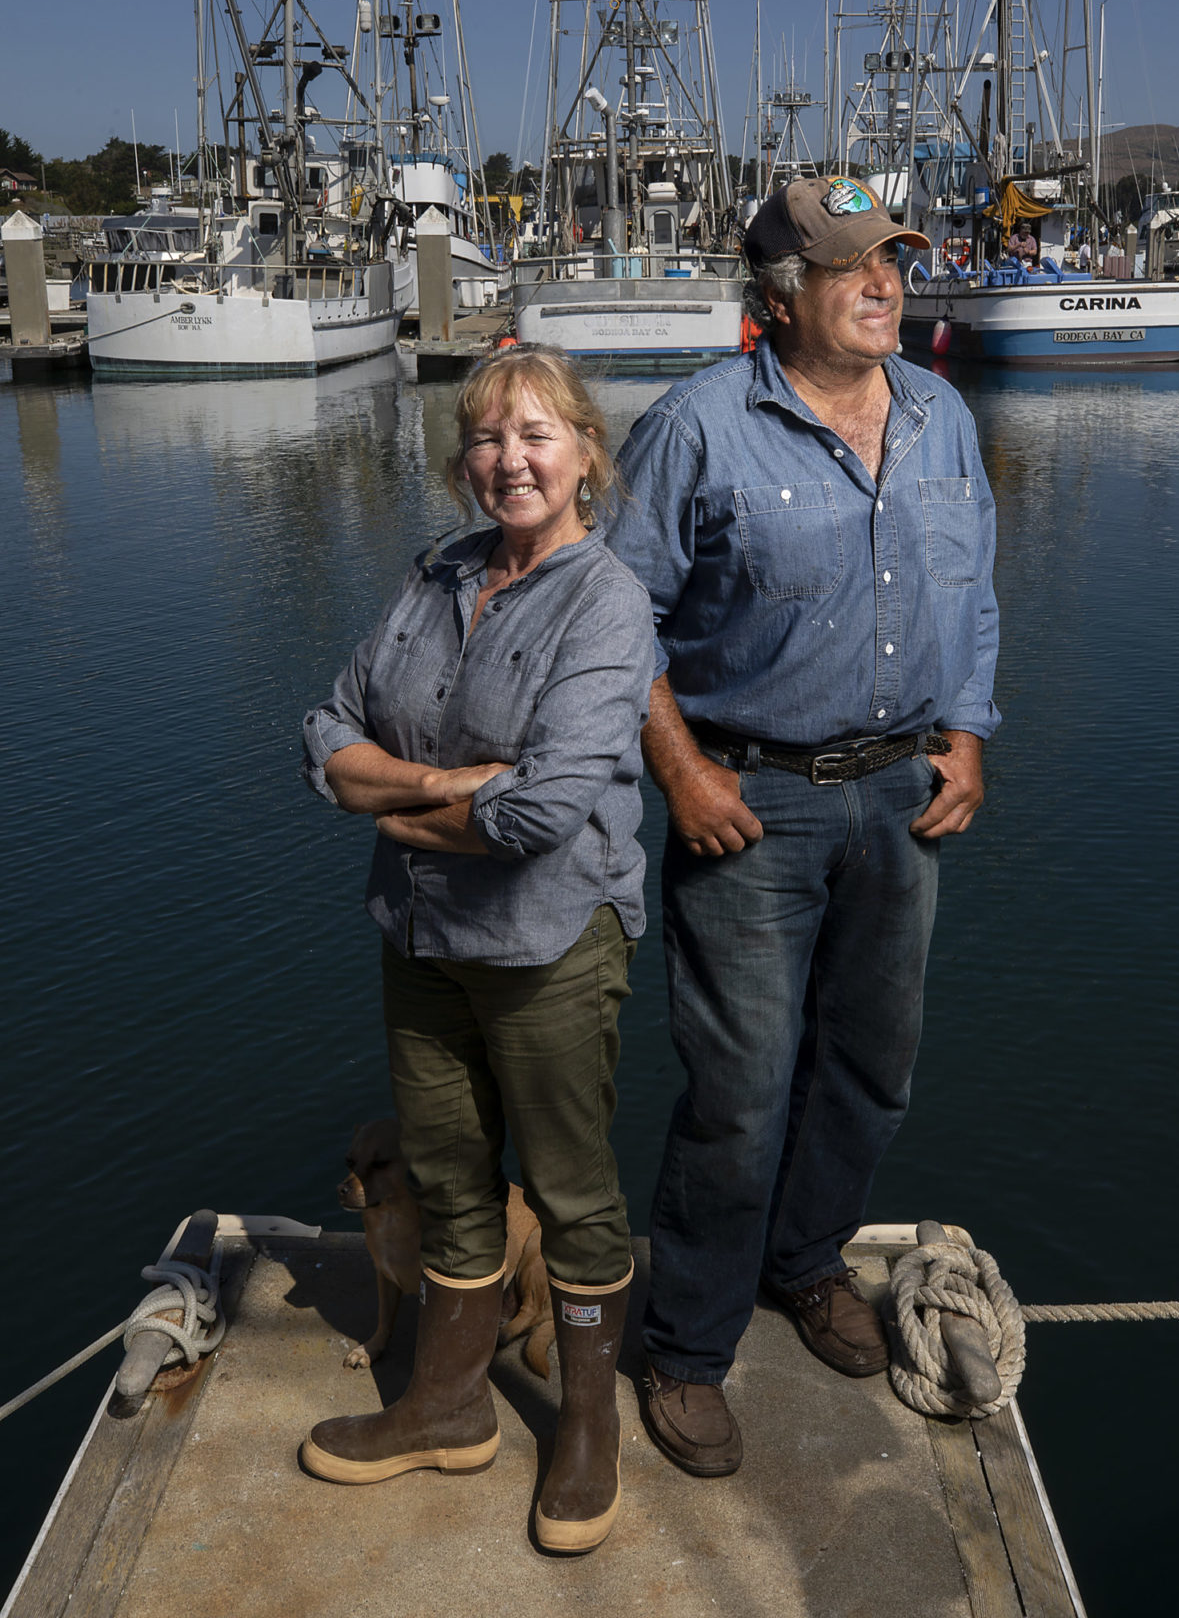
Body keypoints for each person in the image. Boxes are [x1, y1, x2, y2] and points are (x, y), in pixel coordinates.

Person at [607, 173, 999, 1476]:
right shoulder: (697, 429)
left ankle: (805, 1263)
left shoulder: (939, 415)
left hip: (904, 797)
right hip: (746, 803)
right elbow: (615, 627)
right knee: (735, 1094)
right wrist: (680, 772)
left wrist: (968, 737)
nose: (885, 283)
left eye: (892, 260)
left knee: (873, 1069)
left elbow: (973, 590)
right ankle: (684, 1347)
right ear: (782, 294)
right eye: (851, 269)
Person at [298, 343, 654, 1554]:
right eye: (490, 439)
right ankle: (446, 1403)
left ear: (584, 453)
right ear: (464, 461)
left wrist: (391, 808)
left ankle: (587, 1423)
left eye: (537, 435)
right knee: (447, 1170)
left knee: (567, 1186)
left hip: (548, 940)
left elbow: (544, 810)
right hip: (421, 933)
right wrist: (439, 785)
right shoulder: (433, 572)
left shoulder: (606, 599)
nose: (511, 459)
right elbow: (327, 728)